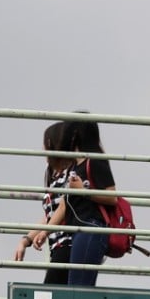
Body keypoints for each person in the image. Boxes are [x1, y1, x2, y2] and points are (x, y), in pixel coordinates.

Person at [45, 119, 117, 286]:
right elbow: (65, 204)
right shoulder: (77, 166)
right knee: (75, 287)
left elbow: (112, 197)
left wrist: (83, 191)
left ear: (75, 134)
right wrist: (45, 232)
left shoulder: (95, 160)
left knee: (78, 289)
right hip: (80, 230)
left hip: (90, 228)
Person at [15, 122, 75, 284]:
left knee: (49, 297)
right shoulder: (55, 175)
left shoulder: (72, 174)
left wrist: (45, 232)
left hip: (68, 244)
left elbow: (64, 206)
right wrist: (26, 240)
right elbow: (50, 215)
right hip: (58, 246)